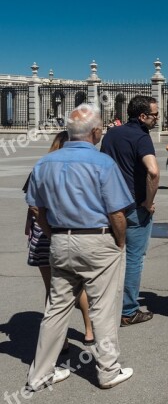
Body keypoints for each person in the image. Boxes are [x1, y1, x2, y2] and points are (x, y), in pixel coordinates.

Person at [25, 104, 134, 391]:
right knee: (104, 306)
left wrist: (51, 234)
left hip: (60, 239)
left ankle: (40, 375)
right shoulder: (103, 163)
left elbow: (36, 208)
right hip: (97, 239)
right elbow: (117, 214)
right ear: (96, 131)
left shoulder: (44, 163)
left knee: (56, 308)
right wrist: (119, 241)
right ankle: (108, 370)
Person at [24, 131, 94, 353]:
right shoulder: (75, 169)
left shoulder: (41, 167)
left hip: (42, 236)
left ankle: (59, 339)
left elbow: (32, 205)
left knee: (52, 291)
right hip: (65, 233)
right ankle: (89, 329)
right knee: (77, 286)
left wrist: (33, 228)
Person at [100, 95, 160, 327]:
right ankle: (128, 310)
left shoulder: (112, 133)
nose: (157, 118)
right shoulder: (142, 137)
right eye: (154, 115)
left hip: (109, 206)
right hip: (134, 208)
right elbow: (153, 172)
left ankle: (104, 306)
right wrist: (148, 201)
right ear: (142, 116)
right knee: (134, 258)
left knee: (110, 256)